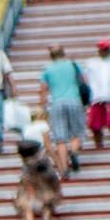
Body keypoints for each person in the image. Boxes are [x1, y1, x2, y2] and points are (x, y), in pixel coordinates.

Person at [40, 46, 87, 175]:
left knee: (60, 138)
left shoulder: (47, 69)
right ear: (64, 53)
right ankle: (73, 150)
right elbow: (85, 82)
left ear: (51, 56)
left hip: (57, 103)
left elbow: (43, 90)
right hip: (74, 101)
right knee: (77, 133)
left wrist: (43, 106)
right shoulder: (73, 65)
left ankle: (64, 169)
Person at [11, 141, 63, 220]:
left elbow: (25, 179)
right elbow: (51, 177)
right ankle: (47, 217)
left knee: (28, 208)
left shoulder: (26, 164)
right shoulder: (43, 161)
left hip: (28, 191)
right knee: (47, 202)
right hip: (43, 189)